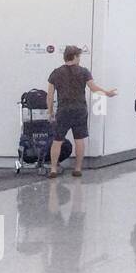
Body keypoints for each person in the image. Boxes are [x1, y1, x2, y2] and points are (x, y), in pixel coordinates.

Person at [46, 45, 115, 178]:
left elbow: (49, 96)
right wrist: (107, 93)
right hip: (79, 109)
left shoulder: (56, 73)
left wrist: (50, 112)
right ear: (76, 57)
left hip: (63, 110)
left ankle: (53, 169)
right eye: (79, 56)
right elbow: (94, 88)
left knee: (57, 140)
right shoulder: (84, 72)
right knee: (79, 139)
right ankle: (77, 168)